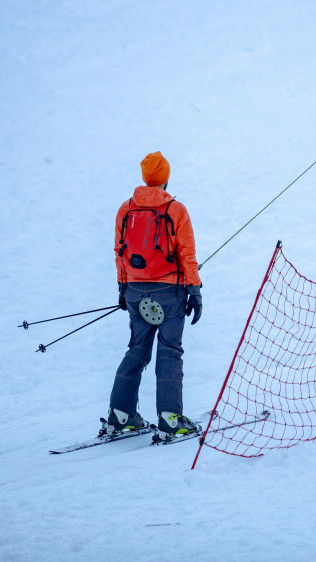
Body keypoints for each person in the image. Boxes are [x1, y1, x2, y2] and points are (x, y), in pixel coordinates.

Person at [106, 151, 203, 438]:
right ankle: (170, 418)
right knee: (169, 351)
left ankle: (120, 415)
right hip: (169, 292)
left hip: (135, 290)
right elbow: (187, 254)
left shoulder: (126, 209)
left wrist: (123, 287)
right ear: (166, 179)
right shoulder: (176, 210)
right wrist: (194, 290)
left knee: (137, 349)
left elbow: (118, 252)